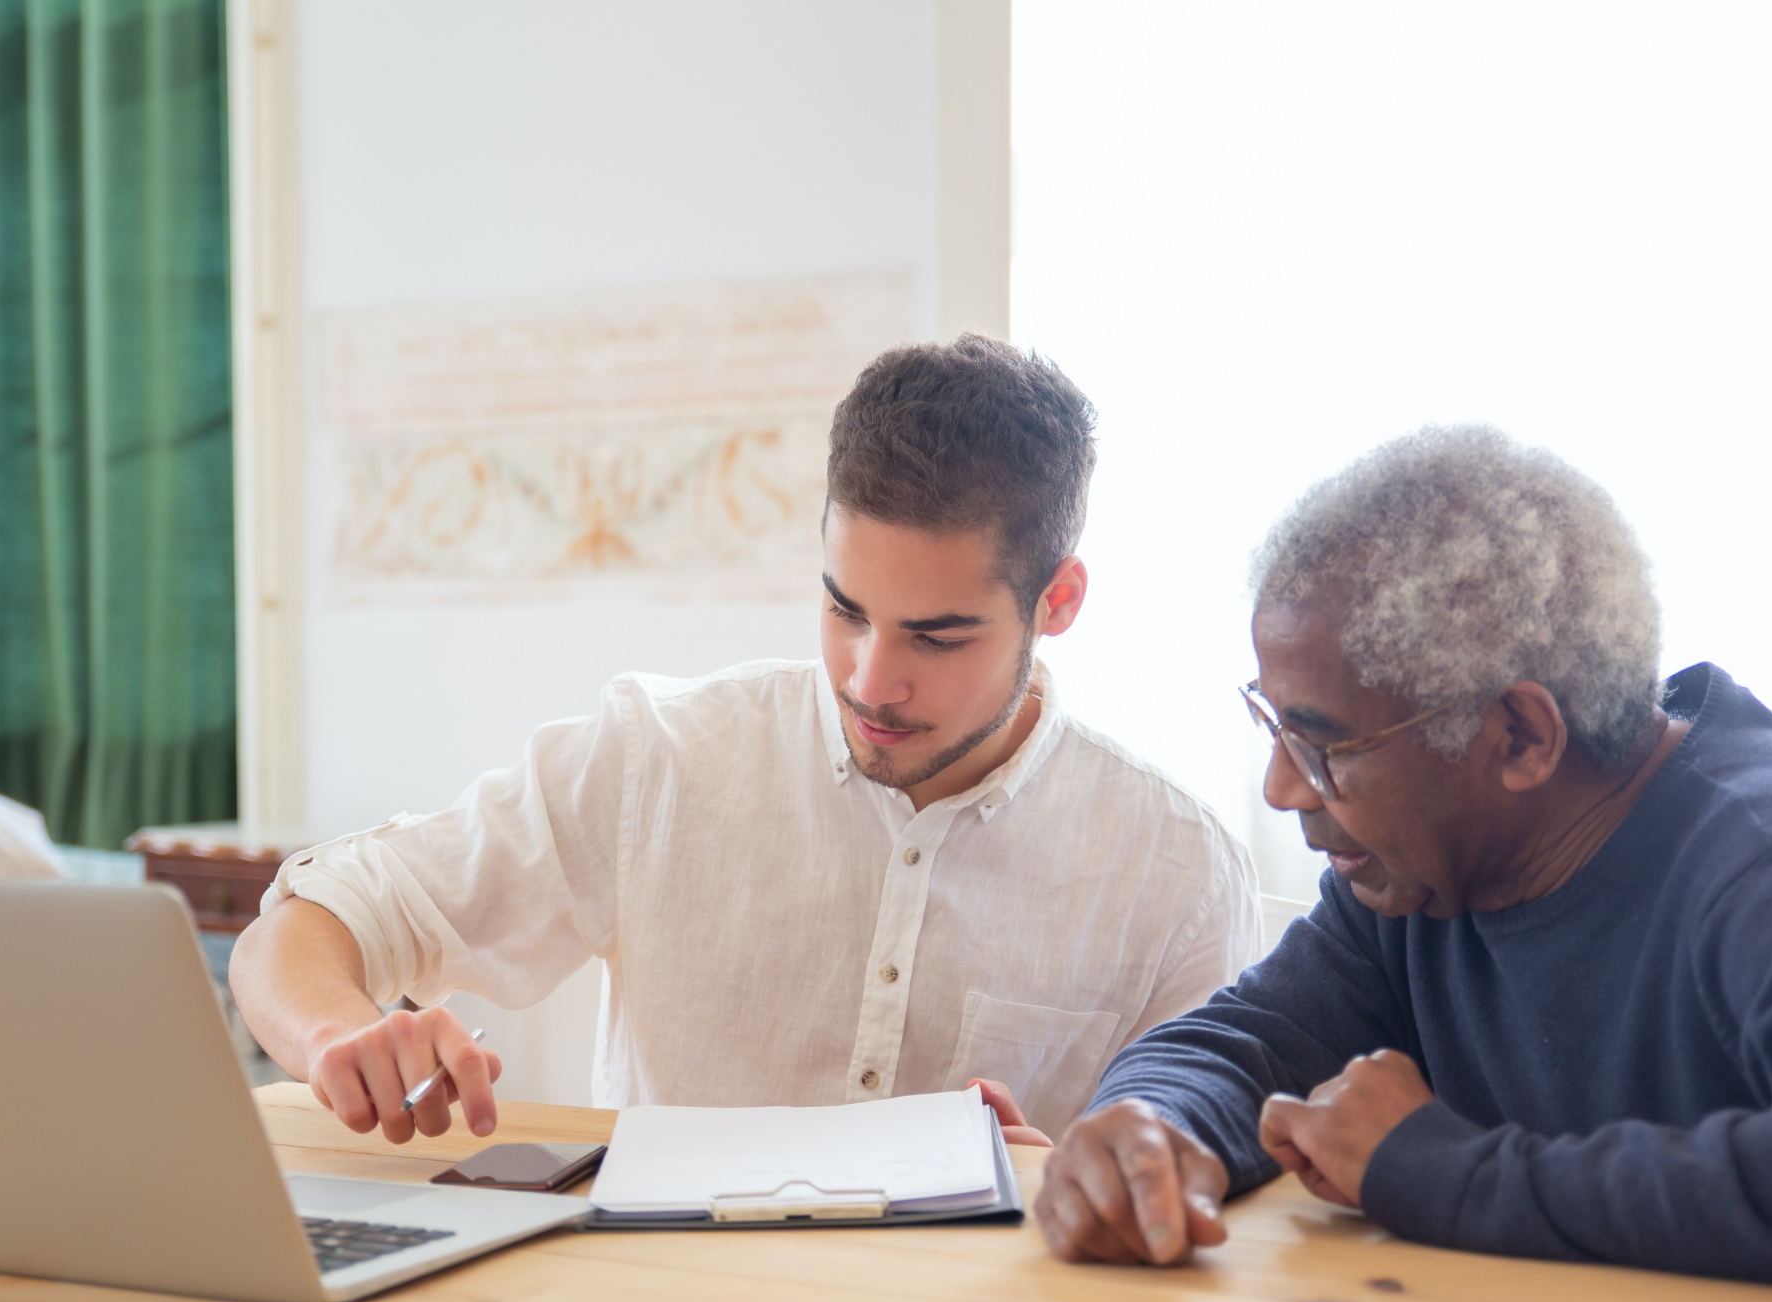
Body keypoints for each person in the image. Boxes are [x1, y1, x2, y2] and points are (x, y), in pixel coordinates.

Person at [232, 335, 1261, 1149]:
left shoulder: (1174, 869)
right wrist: (339, 1038)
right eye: (843, 607)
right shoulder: (658, 759)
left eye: (936, 637)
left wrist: (1078, 1184)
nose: (870, 679)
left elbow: (1199, 1164)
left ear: (1060, 600)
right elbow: (303, 925)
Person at [1037, 424, 1772, 1284]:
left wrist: (1430, 1169)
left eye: (1326, 746)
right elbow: (1243, 1044)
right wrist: (1151, 1132)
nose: (1284, 789)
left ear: (1520, 737)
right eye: (1273, 725)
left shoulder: (1760, 864)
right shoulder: (1412, 882)